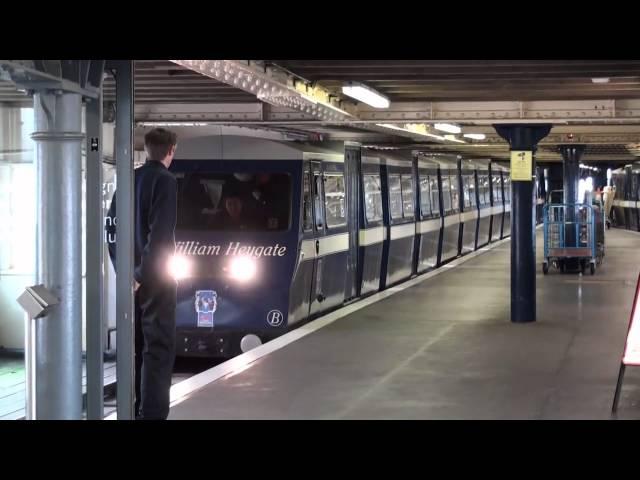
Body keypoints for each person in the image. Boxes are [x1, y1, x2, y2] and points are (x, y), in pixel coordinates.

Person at [105, 128, 178, 420]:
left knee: (133, 347)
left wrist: (125, 273)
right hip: (155, 280)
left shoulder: (127, 180)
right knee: (158, 349)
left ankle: (134, 411)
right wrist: (141, 274)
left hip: (130, 281)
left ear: (146, 149)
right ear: (171, 150)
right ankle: (152, 415)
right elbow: (159, 235)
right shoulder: (166, 181)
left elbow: (111, 228)